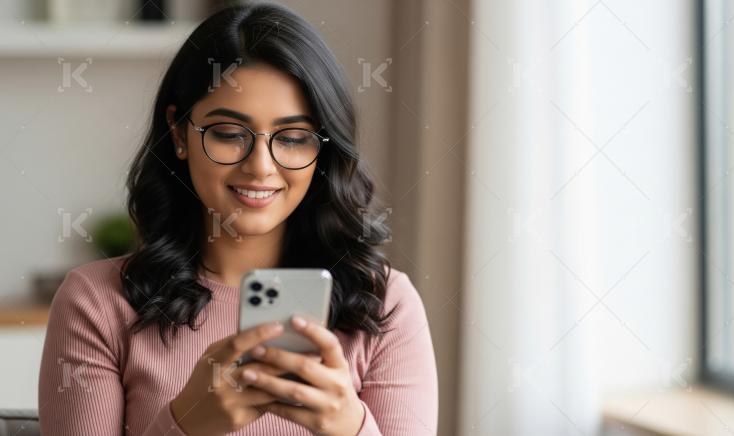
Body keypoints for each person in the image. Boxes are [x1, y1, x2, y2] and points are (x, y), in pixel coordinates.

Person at [37, 3, 437, 435]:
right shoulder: (96, 303)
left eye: (294, 138)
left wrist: (350, 427)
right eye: (229, 134)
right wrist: (187, 424)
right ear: (179, 132)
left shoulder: (385, 304)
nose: (261, 167)